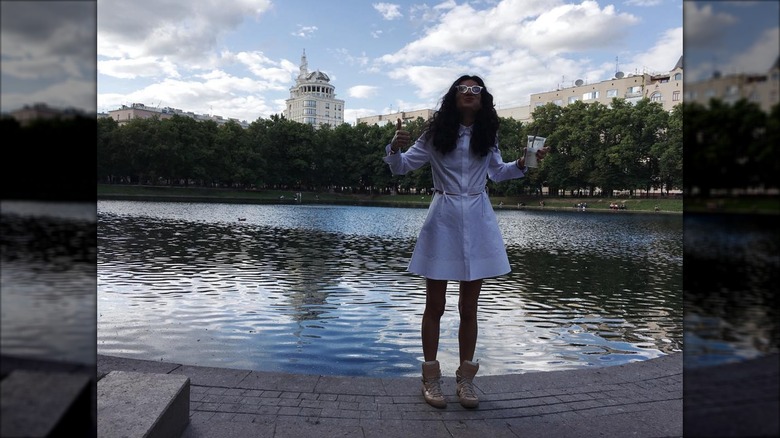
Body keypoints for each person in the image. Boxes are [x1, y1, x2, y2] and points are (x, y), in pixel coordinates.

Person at [383, 74, 549, 409]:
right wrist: (393, 147)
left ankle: (465, 381)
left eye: (476, 89)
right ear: (454, 96)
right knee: (435, 305)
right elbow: (401, 167)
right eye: (463, 89)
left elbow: (498, 172)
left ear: (483, 97)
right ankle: (431, 378)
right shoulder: (434, 134)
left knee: (469, 307)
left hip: (477, 217)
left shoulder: (488, 135)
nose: (470, 93)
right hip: (443, 217)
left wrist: (524, 163)